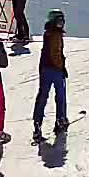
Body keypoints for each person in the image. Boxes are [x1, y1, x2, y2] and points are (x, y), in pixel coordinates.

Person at [33, 9, 69, 140]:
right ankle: (61, 120)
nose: (62, 23)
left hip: (45, 68)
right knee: (60, 95)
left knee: (43, 96)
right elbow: (56, 53)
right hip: (54, 69)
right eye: (59, 21)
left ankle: (37, 124)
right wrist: (61, 67)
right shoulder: (55, 35)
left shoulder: (48, 33)